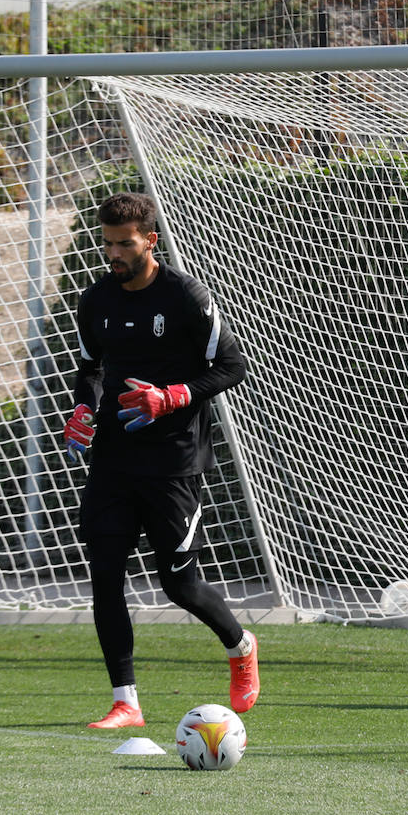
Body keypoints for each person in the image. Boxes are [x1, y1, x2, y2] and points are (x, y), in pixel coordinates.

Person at [63, 191, 259, 729]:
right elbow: (90, 369)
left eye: (124, 245)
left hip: (174, 462)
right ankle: (125, 700)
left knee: (178, 584)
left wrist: (171, 396)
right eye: (107, 245)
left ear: (150, 240)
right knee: (105, 574)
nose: (114, 255)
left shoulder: (187, 297)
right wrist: (82, 408)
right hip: (113, 459)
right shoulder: (96, 298)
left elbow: (233, 366)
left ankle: (240, 646)